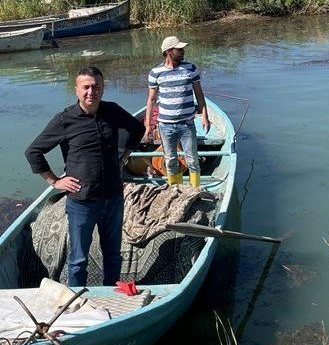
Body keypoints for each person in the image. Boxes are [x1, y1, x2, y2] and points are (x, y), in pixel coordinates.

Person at [25, 67, 145, 287]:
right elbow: (33, 152)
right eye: (86, 87)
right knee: (78, 259)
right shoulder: (64, 120)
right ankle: (76, 303)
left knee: (113, 255)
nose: (91, 92)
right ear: (76, 90)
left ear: (102, 88)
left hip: (113, 198)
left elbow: (137, 129)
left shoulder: (113, 111)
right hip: (82, 202)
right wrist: (55, 181)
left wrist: (124, 155)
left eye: (96, 86)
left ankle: (112, 296)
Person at [143, 36, 210, 187]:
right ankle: (176, 190)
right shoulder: (156, 73)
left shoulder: (190, 69)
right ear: (168, 51)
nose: (183, 51)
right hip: (165, 126)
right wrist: (148, 125)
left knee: (192, 159)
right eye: (179, 49)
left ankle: (195, 190)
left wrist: (205, 116)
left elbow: (199, 94)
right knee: (171, 160)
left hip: (187, 124)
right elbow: (151, 100)